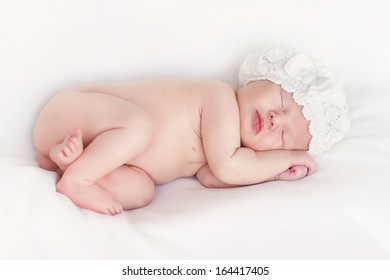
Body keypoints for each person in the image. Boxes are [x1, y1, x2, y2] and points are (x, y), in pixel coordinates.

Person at [33, 48, 349, 215]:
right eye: (282, 101)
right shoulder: (219, 97)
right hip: (74, 111)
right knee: (137, 127)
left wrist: (272, 174)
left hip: (82, 144)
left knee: (142, 191)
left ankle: (71, 164)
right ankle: (80, 179)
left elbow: (216, 177)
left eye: (283, 136)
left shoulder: (222, 151)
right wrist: (290, 156)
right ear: (258, 78)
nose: (275, 120)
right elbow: (229, 166)